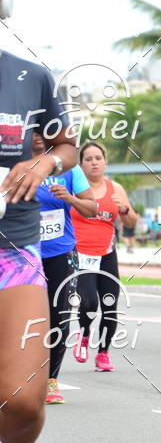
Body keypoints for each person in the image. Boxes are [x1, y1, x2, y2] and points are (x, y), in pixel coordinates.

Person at [0, 0, 78, 443]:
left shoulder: (29, 78)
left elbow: (67, 146)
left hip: (15, 251)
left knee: (25, 403)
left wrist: (44, 161)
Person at [32, 132, 97, 404]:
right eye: (31, 131)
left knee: (60, 316)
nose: (36, 136)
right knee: (24, 318)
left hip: (61, 252)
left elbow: (92, 208)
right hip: (24, 253)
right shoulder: (16, 165)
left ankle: (50, 380)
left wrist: (69, 198)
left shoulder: (69, 169)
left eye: (41, 130)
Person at [71, 141, 138, 372]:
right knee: (89, 300)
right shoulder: (74, 188)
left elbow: (131, 222)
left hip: (107, 253)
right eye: (88, 159)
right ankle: (85, 335)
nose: (94, 163)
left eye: (98, 158)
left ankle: (103, 354)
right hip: (80, 253)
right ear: (81, 164)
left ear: (105, 162)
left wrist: (124, 210)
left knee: (110, 304)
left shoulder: (115, 188)